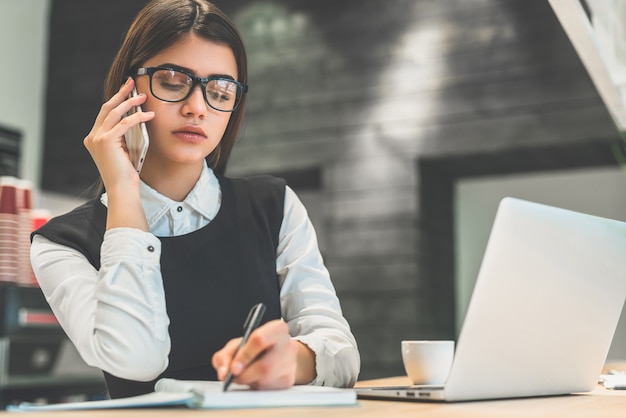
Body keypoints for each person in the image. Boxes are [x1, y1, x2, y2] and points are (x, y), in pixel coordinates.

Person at [30, 0, 359, 399]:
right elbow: (135, 361)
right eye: (172, 81)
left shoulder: (275, 206)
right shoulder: (60, 244)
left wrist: (292, 359)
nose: (197, 108)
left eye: (220, 90)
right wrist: (122, 191)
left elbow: (342, 354)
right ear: (128, 89)